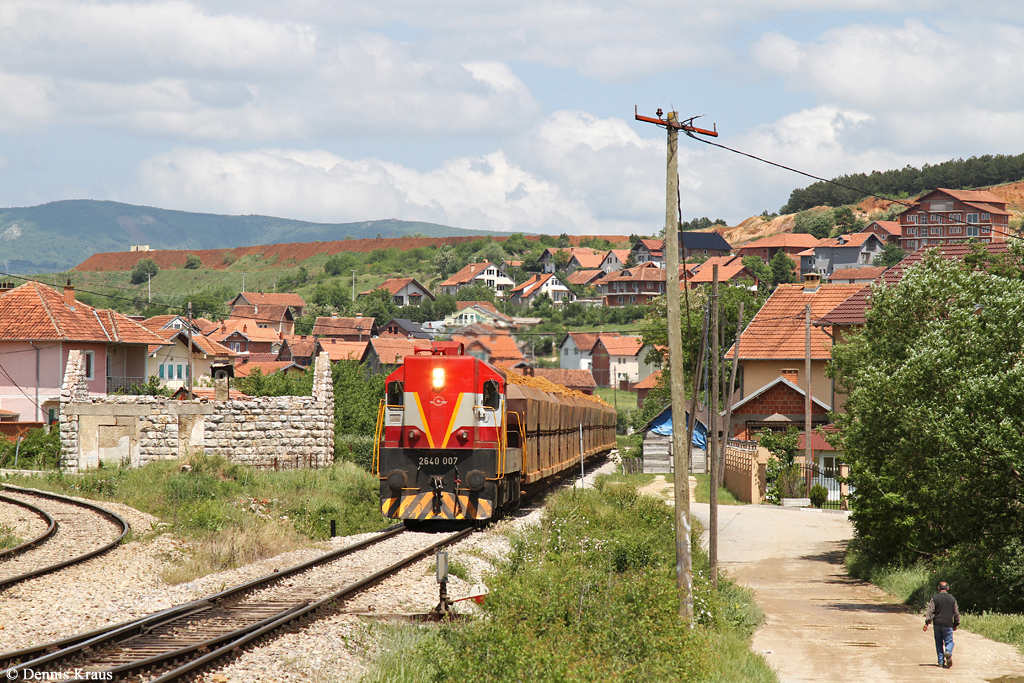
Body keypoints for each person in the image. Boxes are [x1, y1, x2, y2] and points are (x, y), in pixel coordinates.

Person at [923, 581, 960, 668]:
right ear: (947, 588)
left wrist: (927, 623)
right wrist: (956, 624)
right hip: (948, 623)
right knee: (949, 641)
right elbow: (956, 613)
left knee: (939, 642)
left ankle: (940, 662)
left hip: (937, 623)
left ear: (938, 588)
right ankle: (948, 652)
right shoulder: (952, 599)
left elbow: (930, 611)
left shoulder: (934, 598)